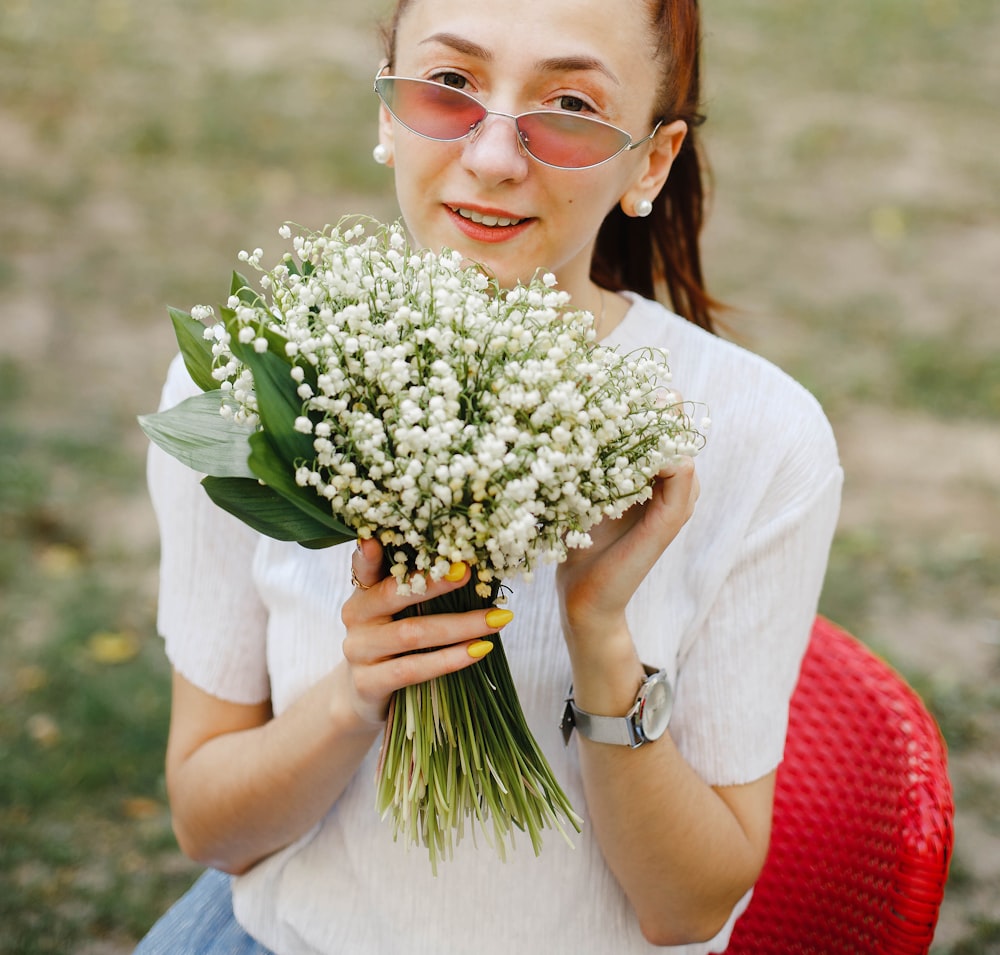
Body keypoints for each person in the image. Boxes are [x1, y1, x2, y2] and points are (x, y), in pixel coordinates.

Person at [136, 0, 842, 952]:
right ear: (388, 110)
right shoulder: (251, 384)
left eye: (570, 107)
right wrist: (351, 697)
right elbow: (208, 825)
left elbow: (690, 908)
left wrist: (600, 636)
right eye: (451, 87)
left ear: (652, 160)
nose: (496, 158)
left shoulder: (760, 437)